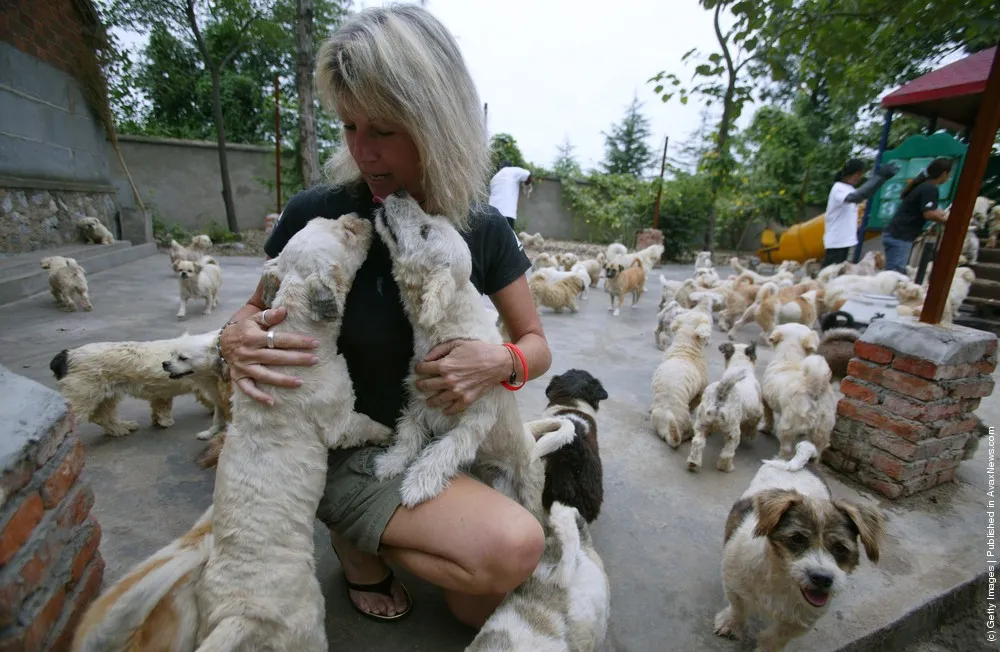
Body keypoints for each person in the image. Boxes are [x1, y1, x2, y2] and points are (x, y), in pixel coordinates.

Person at [217, 4, 552, 628]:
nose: (364, 152)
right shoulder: (322, 211)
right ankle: (349, 529)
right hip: (343, 438)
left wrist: (500, 362)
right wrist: (234, 335)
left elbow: (536, 343)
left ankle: (378, 529)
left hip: (438, 435)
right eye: (348, 126)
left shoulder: (480, 228)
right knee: (514, 547)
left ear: (437, 122)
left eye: (386, 129)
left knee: (477, 606)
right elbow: (253, 309)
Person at [823, 158, 900, 267]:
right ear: (849, 173)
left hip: (844, 241)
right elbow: (856, 197)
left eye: (860, 174)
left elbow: (863, 193)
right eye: (857, 174)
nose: (858, 178)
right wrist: (879, 178)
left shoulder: (848, 188)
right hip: (836, 242)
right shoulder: (838, 188)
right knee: (829, 275)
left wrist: (882, 179)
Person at [882, 157, 954, 274]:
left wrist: (944, 215)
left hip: (895, 234)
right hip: (901, 237)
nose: (949, 176)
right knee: (895, 277)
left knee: (893, 275)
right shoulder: (930, 188)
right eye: (949, 173)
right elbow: (929, 214)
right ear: (944, 173)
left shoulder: (923, 185)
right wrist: (947, 221)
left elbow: (935, 210)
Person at [488, 161, 533, 230]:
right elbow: (528, 175)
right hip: (507, 213)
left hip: (491, 214)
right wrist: (527, 185)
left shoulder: (494, 178)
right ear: (510, 166)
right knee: (507, 240)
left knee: (492, 239)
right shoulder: (513, 170)